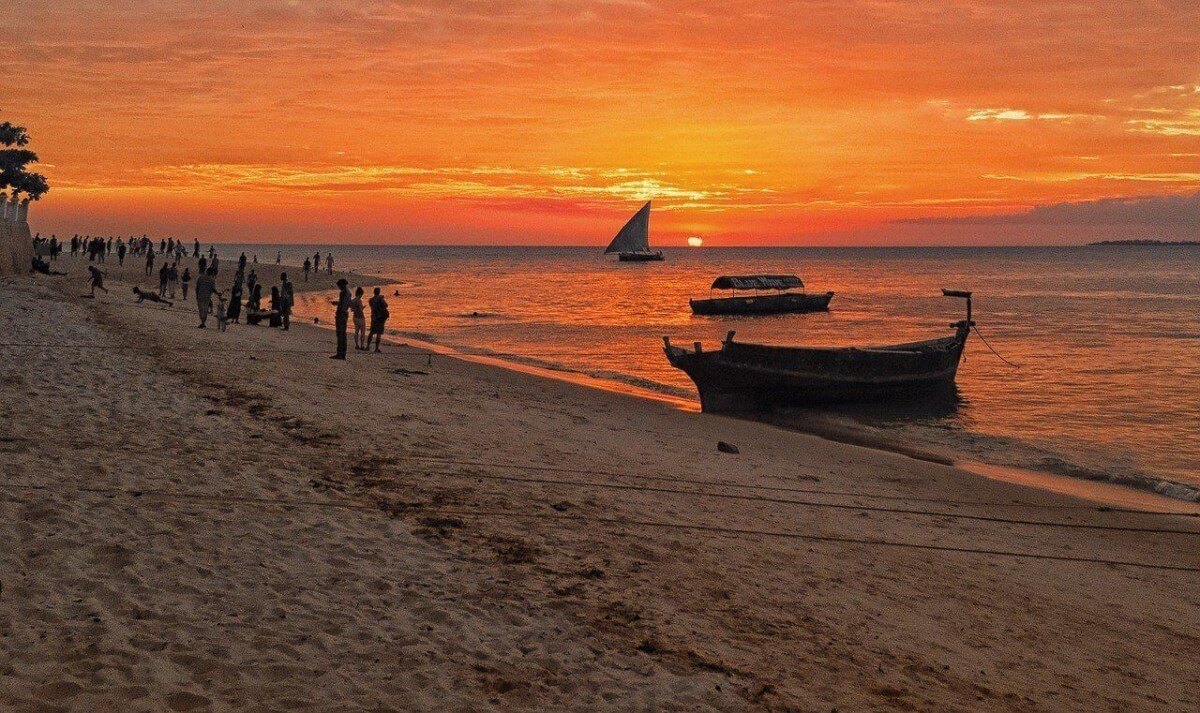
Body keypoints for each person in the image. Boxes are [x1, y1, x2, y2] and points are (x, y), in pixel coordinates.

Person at [330, 279, 351, 359]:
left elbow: (341, 304)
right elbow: (346, 304)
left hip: (341, 314)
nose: (338, 287)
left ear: (342, 285)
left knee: (340, 334)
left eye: (339, 286)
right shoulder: (349, 293)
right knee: (343, 334)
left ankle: (339, 354)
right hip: (345, 313)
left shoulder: (343, 293)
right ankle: (343, 354)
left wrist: (336, 303)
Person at [367, 287, 389, 352]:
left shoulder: (370, 300)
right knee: (378, 333)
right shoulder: (380, 299)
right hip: (380, 318)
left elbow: (372, 306)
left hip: (373, 317)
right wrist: (381, 298)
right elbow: (386, 305)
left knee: (371, 332)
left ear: (374, 292)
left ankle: (368, 346)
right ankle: (376, 348)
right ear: (379, 292)